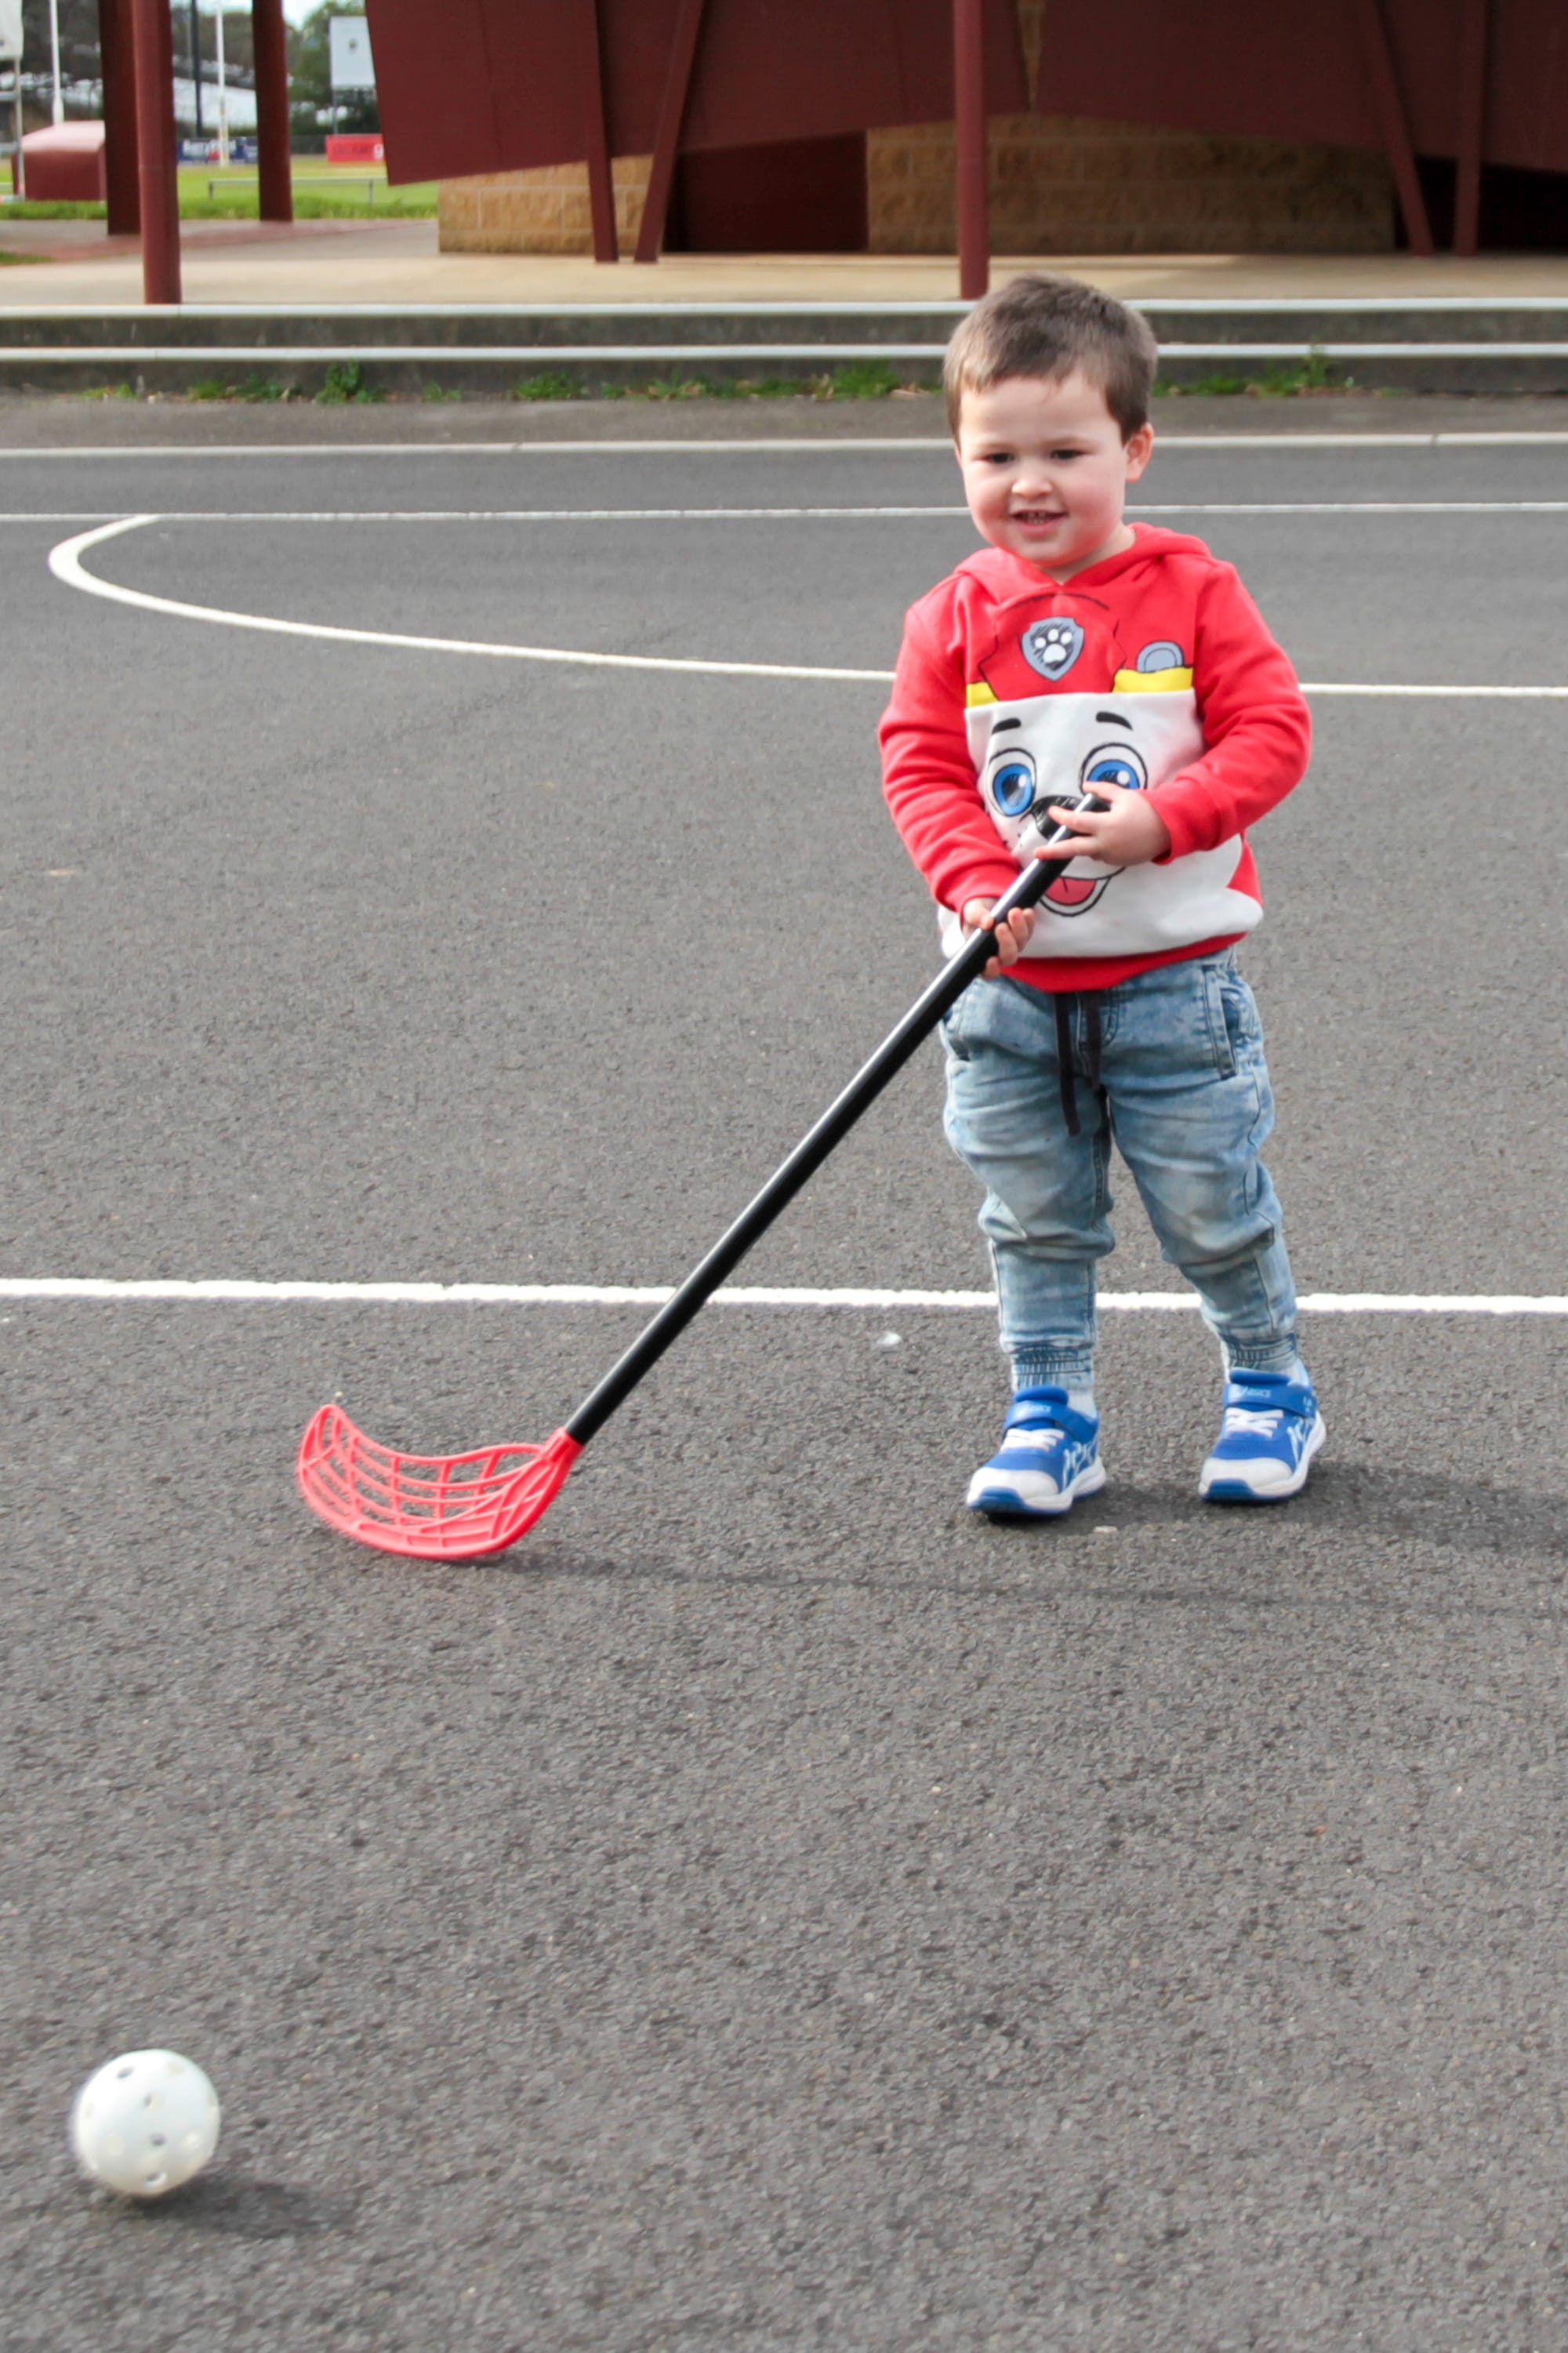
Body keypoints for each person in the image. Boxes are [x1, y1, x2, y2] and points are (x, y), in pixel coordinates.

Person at [880, 273, 1322, 1519]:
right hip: (1004, 993)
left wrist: (1162, 819)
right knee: (1031, 1217)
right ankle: (1052, 1411)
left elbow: (1272, 731)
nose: (1030, 482)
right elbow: (918, 762)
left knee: (1212, 1205)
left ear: (1134, 448)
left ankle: (1271, 1384)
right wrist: (971, 881)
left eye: (1066, 450)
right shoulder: (951, 617)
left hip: (1168, 991)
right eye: (997, 452)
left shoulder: (1194, 593)